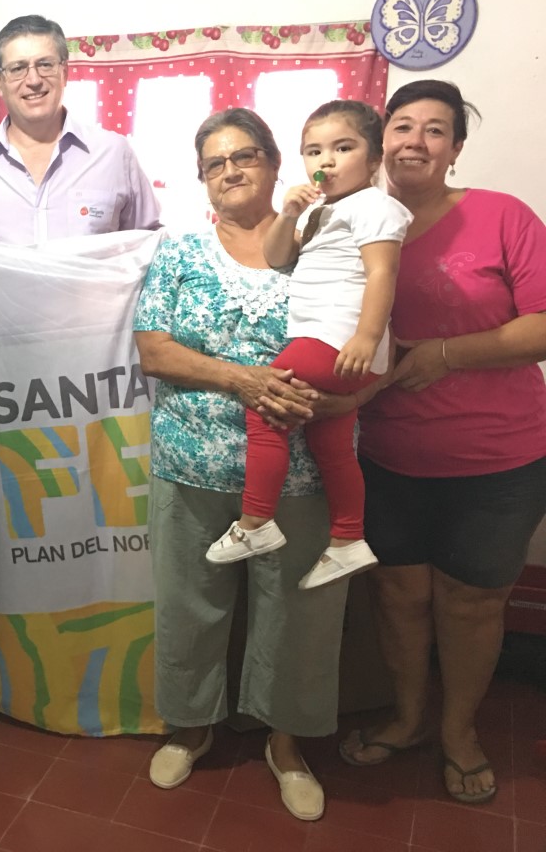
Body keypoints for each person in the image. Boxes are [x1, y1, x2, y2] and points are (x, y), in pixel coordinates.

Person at [133, 108, 367, 822]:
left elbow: (371, 336)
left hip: (302, 473)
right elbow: (154, 351)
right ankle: (190, 727)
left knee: (299, 614)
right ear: (202, 179)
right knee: (187, 606)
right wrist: (244, 380)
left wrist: (341, 400)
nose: (230, 170)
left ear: (273, 163)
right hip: (190, 465)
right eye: (215, 163)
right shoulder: (179, 252)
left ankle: (286, 744)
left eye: (244, 156)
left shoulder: (323, 242)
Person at [339, 80, 546, 805]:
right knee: (397, 595)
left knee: (470, 604)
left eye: (435, 130)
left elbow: (543, 325)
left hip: (499, 462)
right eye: (402, 126)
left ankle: (459, 732)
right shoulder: (354, 222)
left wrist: (445, 354)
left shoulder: (502, 216)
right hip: (388, 456)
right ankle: (407, 718)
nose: (415, 141)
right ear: (381, 142)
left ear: (455, 148)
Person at [206, 101, 411, 589]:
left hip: (337, 338)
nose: (326, 161)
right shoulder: (322, 210)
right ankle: (348, 539)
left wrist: (366, 336)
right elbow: (278, 256)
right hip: (331, 340)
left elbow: (382, 272)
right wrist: (291, 214)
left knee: (265, 403)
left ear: (375, 157)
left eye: (343, 148)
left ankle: (256, 521)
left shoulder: (374, 206)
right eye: (314, 151)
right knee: (330, 443)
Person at [0, 14, 160, 244]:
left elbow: (150, 246)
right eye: (18, 68)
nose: (34, 80)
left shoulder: (114, 155)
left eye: (45, 65)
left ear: (64, 73)